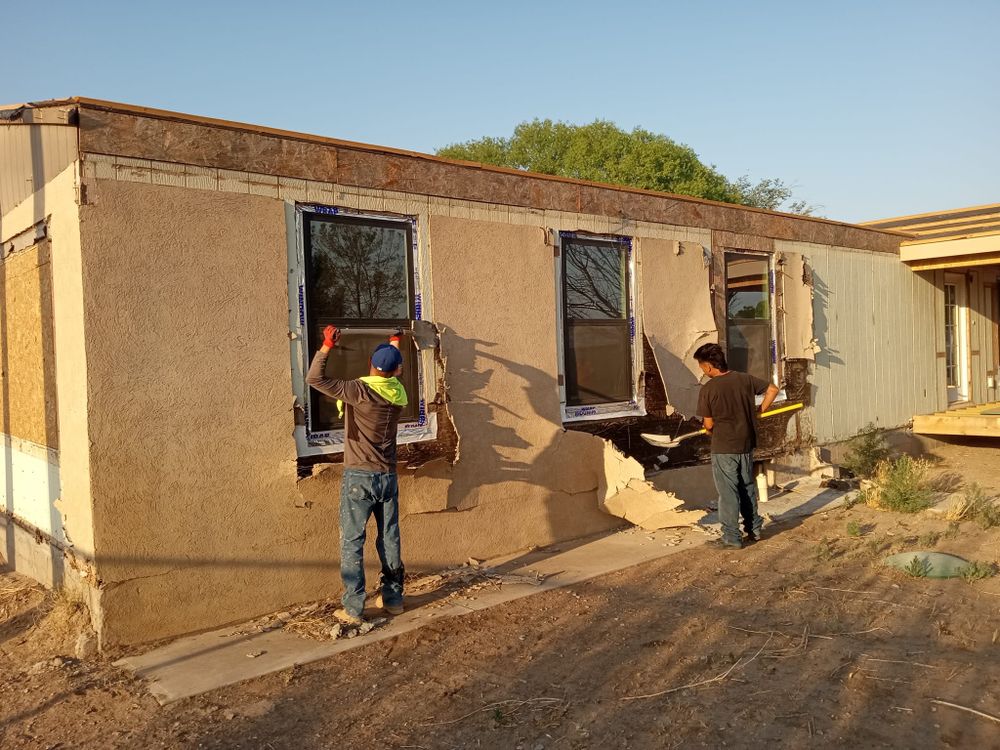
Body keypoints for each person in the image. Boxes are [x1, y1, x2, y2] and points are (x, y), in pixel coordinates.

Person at [306, 324, 408, 624]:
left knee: (353, 541)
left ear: (369, 366)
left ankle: (353, 607)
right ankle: (393, 600)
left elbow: (315, 378)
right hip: (387, 476)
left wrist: (327, 345)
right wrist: (393, 343)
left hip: (359, 479)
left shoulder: (359, 390)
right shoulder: (398, 393)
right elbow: (391, 368)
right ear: (397, 371)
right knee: (389, 539)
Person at [694, 343, 780, 549]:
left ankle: (731, 538)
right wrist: (760, 410)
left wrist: (707, 429)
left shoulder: (709, 389)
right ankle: (755, 530)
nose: (702, 371)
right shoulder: (745, 379)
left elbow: (708, 424)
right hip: (745, 443)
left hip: (724, 447)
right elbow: (773, 389)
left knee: (728, 492)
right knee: (747, 487)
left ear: (708, 367)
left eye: (701, 367)